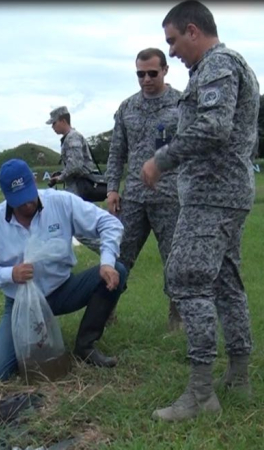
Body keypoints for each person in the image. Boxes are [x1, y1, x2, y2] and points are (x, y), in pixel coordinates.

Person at [140, 0, 259, 421]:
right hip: (225, 192)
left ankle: (201, 395)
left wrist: (162, 159)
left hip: (212, 194)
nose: (170, 51)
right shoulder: (223, 66)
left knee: (187, 281)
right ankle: (239, 376)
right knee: (226, 280)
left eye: (172, 41)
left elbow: (213, 127)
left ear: (193, 31)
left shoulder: (217, 65)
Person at [0, 158, 129, 381]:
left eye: (28, 196)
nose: (27, 205)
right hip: (21, 302)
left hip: (63, 290)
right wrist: (10, 274)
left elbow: (110, 224)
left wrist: (107, 262)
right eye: (19, 201)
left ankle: (85, 346)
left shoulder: (60, 203)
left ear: (34, 182)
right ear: (5, 196)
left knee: (117, 271)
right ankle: (29, 334)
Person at [105, 47, 183, 330]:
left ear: (165, 70)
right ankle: (106, 311)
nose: (146, 79)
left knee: (175, 260)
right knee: (119, 256)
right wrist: (112, 189)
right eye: (141, 74)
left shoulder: (181, 104)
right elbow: (116, 152)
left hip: (170, 197)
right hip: (134, 199)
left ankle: (178, 319)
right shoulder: (127, 107)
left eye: (152, 73)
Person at [47, 105, 102, 254]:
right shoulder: (69, 138)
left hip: (79, 187)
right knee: (81, 224)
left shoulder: (72, 138)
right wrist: (61, 173)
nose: (52, 127)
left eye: (54, 123)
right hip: (76, 187)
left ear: (63, 121)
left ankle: (109, 250)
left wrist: (60, 178)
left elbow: (76, 166)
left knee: (78, 228)